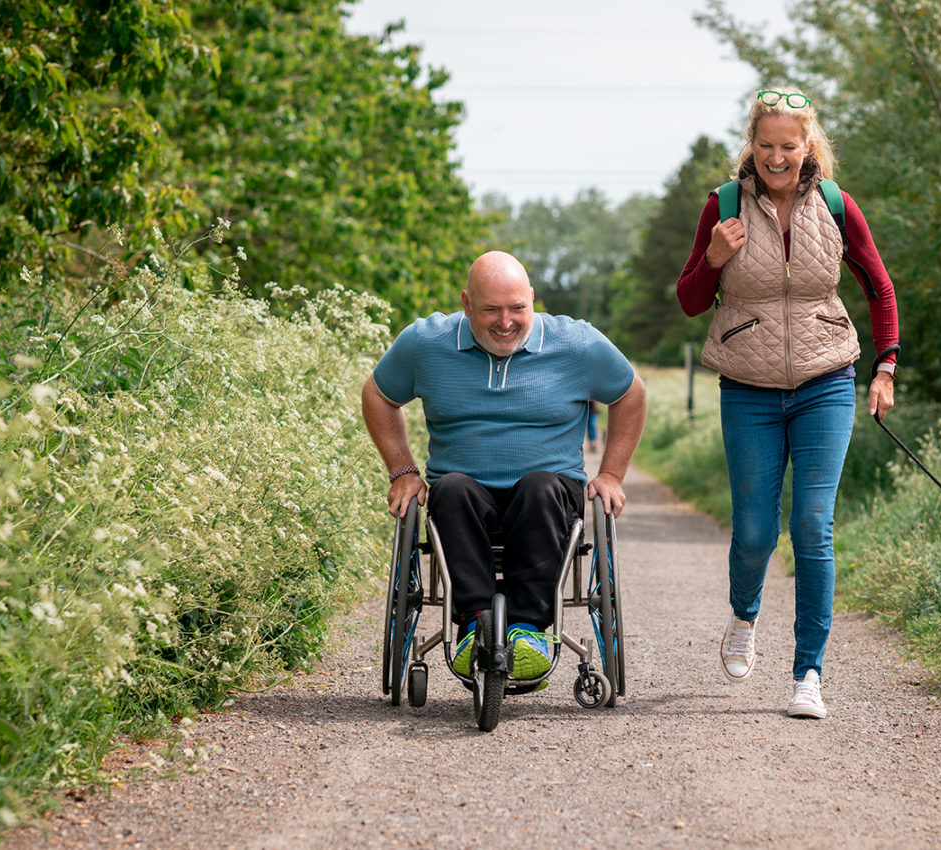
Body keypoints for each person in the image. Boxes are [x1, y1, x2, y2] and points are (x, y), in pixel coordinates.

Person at [676, 89, 899, 719]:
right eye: (767, 146)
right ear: (752, 145)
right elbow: (690, 300)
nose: (777, 158)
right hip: (747, 387)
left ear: (809, 148)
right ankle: (744, 614)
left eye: (789, 146)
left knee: (811, 525)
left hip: (827, 380)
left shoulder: (835, 205)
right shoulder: (721, 206)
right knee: (753, 531)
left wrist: (885, 366)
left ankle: (809, 674)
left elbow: (878, 287)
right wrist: (715, 258)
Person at [362, 250, 646, 684]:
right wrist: (402, 471)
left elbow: (630, 393)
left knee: (539, 488)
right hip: (464, 494)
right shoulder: (426, 343)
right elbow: (379, 394)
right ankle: (474, 625)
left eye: (517, 308)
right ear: (466, 303)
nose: (506, 321)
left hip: (549, 493)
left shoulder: (574, 343)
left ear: (533, 298)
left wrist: (611, 474)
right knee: (452, 489)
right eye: (491, 310)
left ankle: (528, 631)